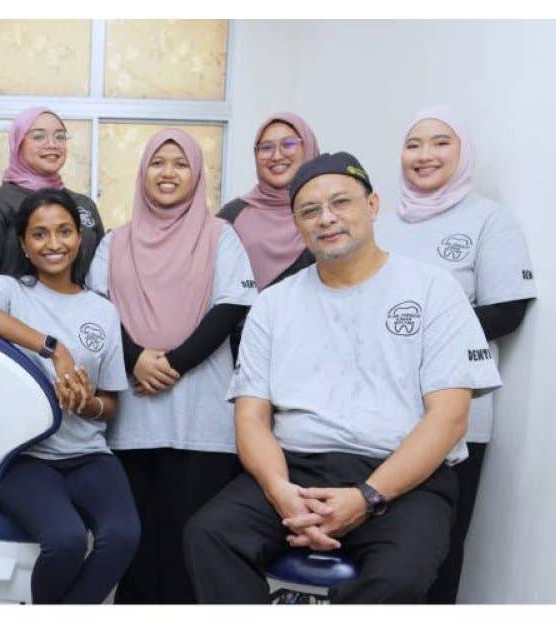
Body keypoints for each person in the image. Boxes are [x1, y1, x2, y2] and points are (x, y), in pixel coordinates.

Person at [183, 152, 503, 604]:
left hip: (402, 476)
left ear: (372, 205)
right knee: (209, 535)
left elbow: (449, 419)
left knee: (399, 577)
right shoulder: (273, 305)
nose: (326, 218)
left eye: (340, 202)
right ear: (297, 224)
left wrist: (367, 497)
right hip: (295, 468)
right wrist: (280, 492)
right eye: (309, 210)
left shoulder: (433, 290)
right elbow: (251, 418)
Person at [85, 129, 257, 603]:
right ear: (143, 172)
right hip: (133, 421)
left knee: (193, 549)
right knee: (137, 549)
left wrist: (171, 365)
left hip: (202, 420)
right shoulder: (115, 242)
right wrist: (136, 359)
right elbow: (97, 312)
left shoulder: (222, 236)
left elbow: (231, 307)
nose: (168, 173)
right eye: (158, 162)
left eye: (180, 164)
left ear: (196, 174)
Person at [377, 106, 536, 603]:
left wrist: (419, 338)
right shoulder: (379, 224)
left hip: (454, 417)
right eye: (413, 144)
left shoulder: (489, 219)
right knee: (376, 547)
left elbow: (507, 311)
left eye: (440, 142)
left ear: (463, 152)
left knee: (437, 549)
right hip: (375, 411)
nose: (424, 155)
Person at [0, 188, 139, 604]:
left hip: (88, 454)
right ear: (24, 244)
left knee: (124, 535)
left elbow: (110, 404)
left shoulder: (102, 310)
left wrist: (85, 403)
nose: (53, 243)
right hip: (24, 457)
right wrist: (53, 348)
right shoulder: (10, 290)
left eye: (64, 231)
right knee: (66, 540)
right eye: (39, 234)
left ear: (79, 238)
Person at [0, 107, 104, 292]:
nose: (52, 144)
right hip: (10, 310)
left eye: (60, 136)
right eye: (39, 136)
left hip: (80, 308)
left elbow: (101, 275)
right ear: (18, 143)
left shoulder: (84, 204)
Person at [218, 112, 320, 290]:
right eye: (266, 148)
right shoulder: (233, 216)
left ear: (308, 148)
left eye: (288, 144)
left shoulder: (329, 211)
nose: (277, 156)